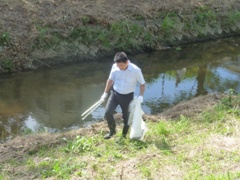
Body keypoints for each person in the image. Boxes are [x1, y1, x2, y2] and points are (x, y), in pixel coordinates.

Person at [100, 52, 146, 139]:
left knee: (126, 118)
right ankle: (112, 131)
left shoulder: (136, 70)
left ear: (127, 62)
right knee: (107, 112)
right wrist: (105, 93)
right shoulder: (115, 67)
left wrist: (141, 96)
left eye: (121, 65)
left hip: (127, 97)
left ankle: (123, 136)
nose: (119, 67)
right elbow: (110, 80)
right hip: (115, 94)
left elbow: (142, 84)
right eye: (118, 65)